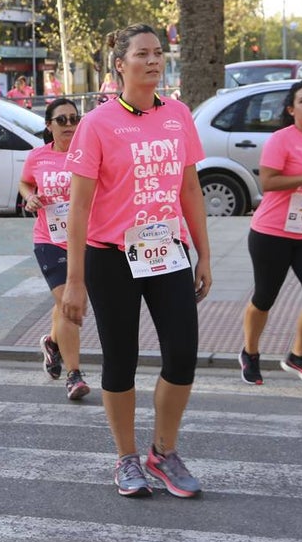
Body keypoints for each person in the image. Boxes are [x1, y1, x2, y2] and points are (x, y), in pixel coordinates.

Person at [61, 24, 211, 500]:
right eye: (142, 54)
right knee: (120, 359)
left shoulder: (179, 116)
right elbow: (79, 207)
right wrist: (75, 282)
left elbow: (189, 189)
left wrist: (203, 252)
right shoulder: (98, 123)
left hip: (167, 252)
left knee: (183, 354)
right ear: (120, 65)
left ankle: (163, 452)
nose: (153, 60)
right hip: (112, 258)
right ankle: (126, 457)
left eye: (158, 53)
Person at [239, 80, 302, 387]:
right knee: (264, 298)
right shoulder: (280, 140)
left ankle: (299, 355)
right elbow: (268, 183)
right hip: (272, 232)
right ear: (291, 109)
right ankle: (250, 352)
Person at [18, 98, 90, 401]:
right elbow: (25, 183)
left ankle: (52, 343)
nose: (69, 125)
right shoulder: (38, 157)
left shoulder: (88, 155)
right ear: (49, 125)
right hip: (49, 240)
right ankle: (74, 375)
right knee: (71, 307)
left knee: (65, 304)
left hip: (85, 240)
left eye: (74, 119)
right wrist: (30, 197)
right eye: (61, 120)